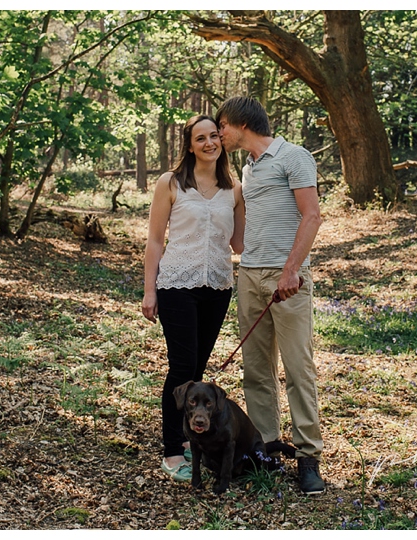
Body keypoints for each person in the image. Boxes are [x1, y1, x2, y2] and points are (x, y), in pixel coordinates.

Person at [215, 96, 325, 495]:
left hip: (288, 279)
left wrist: (292, 270)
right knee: (257, 371)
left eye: (222, 125)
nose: (219, 134)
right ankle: (264, 452)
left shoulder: (294, 156)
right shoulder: (249, 167)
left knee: (298, 370)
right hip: (250, 277)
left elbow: (312, 215)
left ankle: (308, 457)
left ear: (240, 123)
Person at [142, 115, 245, 482]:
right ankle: (172, 449)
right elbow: (155, 240)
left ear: (221, 140)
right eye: (200, 138)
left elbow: (239, 243)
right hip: (175, 285)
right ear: (189, 145)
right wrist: (149, 289)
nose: (209, 143)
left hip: (217, 287)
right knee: (182, 368)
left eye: (214, 136)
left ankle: (190, 438)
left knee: (198, 371)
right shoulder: (170, 183)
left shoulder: (234, 189)